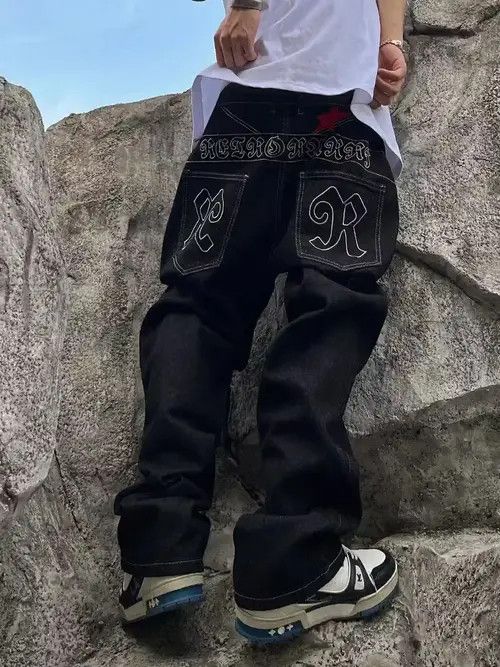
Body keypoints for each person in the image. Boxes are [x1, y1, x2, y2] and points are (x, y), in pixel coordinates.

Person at [114, 0, 407, 644]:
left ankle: (160, 547)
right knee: (329, 312)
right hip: (340, 111)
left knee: (199, 305)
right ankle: (296, 556)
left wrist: (390, 42)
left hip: (250, 109)